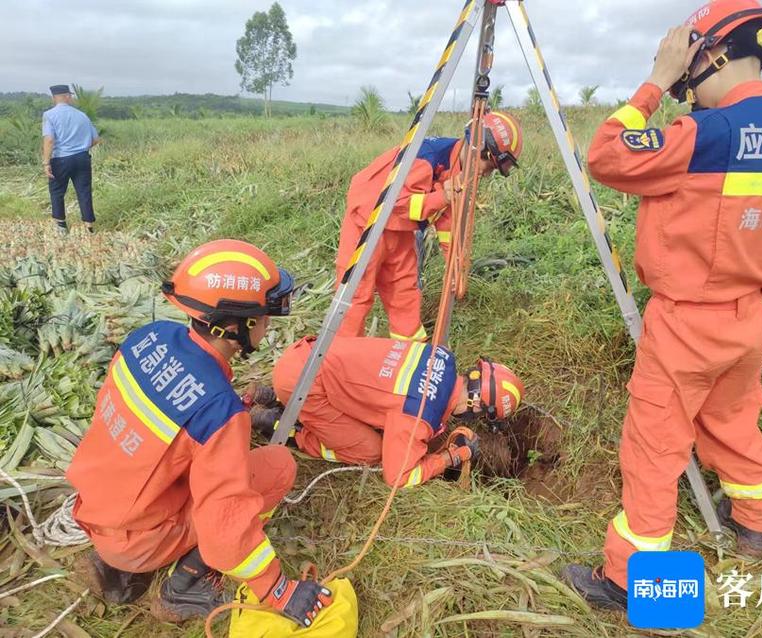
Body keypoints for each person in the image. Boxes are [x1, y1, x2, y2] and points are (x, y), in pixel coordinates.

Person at [560, 0, 762, 611]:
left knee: (655, 444)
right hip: (750, 318)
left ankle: (637, 585)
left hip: (686, 320)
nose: (689, 93)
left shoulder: (705, 137)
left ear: (707, 54)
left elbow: (606, 155)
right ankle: (756, 524)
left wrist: (656, 81)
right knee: (734, 421)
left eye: (689, 78)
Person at [67, 240, 333, 627]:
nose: (267, 324)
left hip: (96, 507)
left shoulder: (149, 338)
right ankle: (187, 584)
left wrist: (235, 412)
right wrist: (278, 589)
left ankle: (117, 562)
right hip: (137, 539)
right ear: (233, 326)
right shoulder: (216, 411)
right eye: (263, 317)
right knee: (276, 467)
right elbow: (225, 521)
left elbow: (162, 429)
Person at [336, 111, 523, 341]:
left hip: (401, 232)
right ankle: (343, 359)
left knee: (404, 294)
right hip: (366, 225)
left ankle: (409, 358)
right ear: (477, 146)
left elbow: (448, 222)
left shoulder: (459, 172)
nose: (487, 173)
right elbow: (393, 206)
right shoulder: (425, 157)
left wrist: (455, 265)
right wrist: (441, 198)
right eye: (490, 164)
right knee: (355, 298)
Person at [258, 335, 524, 487]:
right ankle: (286, 427)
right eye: (481, 415)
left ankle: (273, 398)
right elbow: (399, 476)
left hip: (306, 354)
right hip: (303, 385)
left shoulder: (442, 356)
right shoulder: (421, 414)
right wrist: (450, 458)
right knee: (372, 451)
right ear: (476, 404)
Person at [42, 85, 101, 234]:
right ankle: (89, 226)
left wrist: (46, 162)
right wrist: (80, 147)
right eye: (71, 95)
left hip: (60, 159)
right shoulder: (82, 115)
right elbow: (95, 139)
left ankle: (61, 226)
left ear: (54, 97)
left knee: (57, 191)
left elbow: (49, 140)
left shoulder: (49, 115)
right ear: (67, 96)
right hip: (82, 158)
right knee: (84, 191)